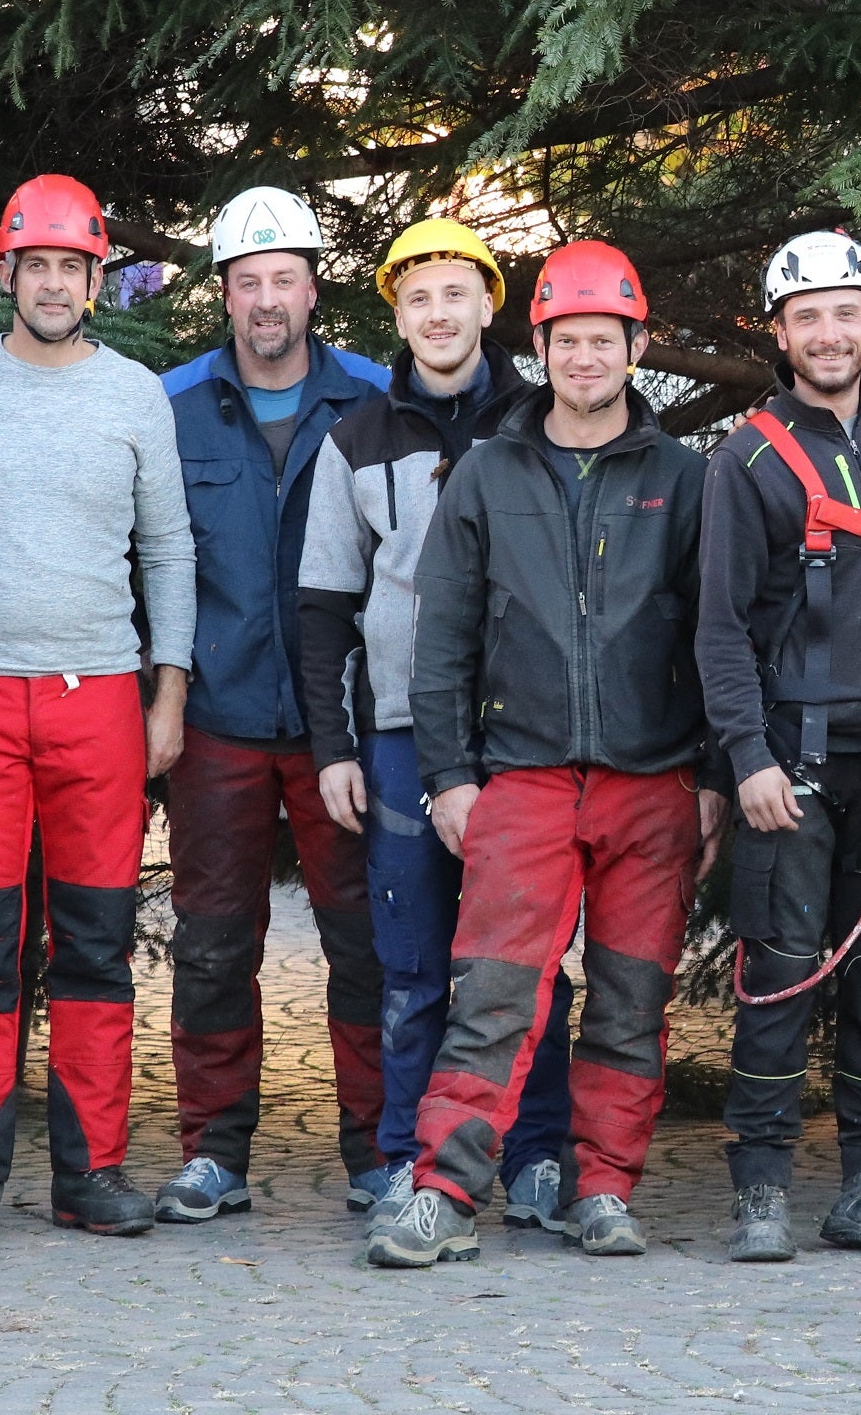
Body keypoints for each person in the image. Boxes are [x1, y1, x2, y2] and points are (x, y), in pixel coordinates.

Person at [364, 240, 713, 1268]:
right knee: (492, 995)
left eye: (605, 339)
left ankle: (604, 1187)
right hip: (520, 773)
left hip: (654, 777)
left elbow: (719, 634)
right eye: (567, 340)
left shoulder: (683, 478)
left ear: (635, 346)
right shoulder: (487, 471)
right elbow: (442, 637)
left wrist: (721, 776)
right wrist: (449, 773)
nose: (585, 357)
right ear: (543, 345)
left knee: (630, 997)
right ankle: (444, 1190)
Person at [0, 174, 193, 1239]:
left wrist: (170, 692)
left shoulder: (133, 394)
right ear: (8, 273)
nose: (58, 282)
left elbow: (167, 548)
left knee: (93, 939)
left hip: (101, 697)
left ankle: (92, 1171)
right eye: (40, 264)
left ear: (96, 277)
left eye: (76, 266)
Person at [299, 218, 576, 1230]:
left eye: (456, 292)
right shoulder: (357, 441)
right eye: (417, 298)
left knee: (521, 961)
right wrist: (333, 745)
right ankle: (413, 1157)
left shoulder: (542, 424)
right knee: (412, 964)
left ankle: (540, 1150)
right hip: (400, 730)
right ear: (397, 314)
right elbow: (323, 601)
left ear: (489, 304)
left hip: (524, 734)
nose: (438, 313)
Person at [697, 229, 861, 1262]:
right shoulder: (746, 459)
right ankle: (761, 1186)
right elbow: (717, 627)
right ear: (780, 331)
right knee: (783, 975)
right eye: (808, 316)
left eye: (846, 311)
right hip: (789, 763)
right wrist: (746, 758)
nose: (829, 331)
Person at [154, 188, 389, 1222]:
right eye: (246, 281)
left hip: (346, 722)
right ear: (224, 293)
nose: (265, 299)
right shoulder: (168, 405)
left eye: (283, 277)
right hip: (216, 719)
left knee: (367, 944)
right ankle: (214, 1151)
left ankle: (382, 1153)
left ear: (312, 285)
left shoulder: (379, 398)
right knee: (212, 942)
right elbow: (140, 561)